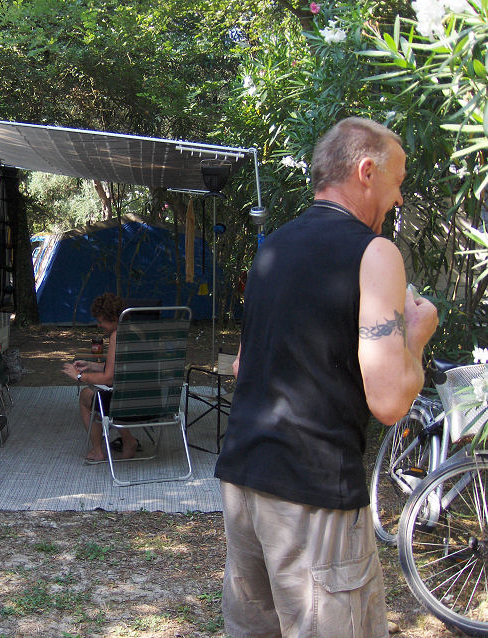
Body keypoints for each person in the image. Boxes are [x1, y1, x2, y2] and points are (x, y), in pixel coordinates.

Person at [214, 117, 438, 638]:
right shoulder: (375, 253)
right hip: (313, 492)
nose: (399, 198)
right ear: (366, 171)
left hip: (244, 482)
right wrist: (416, 336)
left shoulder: (272, 248)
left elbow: (243, 367)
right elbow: (389, 402)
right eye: (398, 180)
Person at [62, 293, 139, 463]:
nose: (99, 325)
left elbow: (109, 379)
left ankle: (98, 451)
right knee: (101, 398)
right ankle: (128, 441)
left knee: (86, 396)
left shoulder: (117, 336)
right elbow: (123, 368)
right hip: (150, 400)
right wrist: (91, 366)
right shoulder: (139, 331)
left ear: (113, 318)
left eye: (101, 321)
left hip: (126, 403)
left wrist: (80, 376)